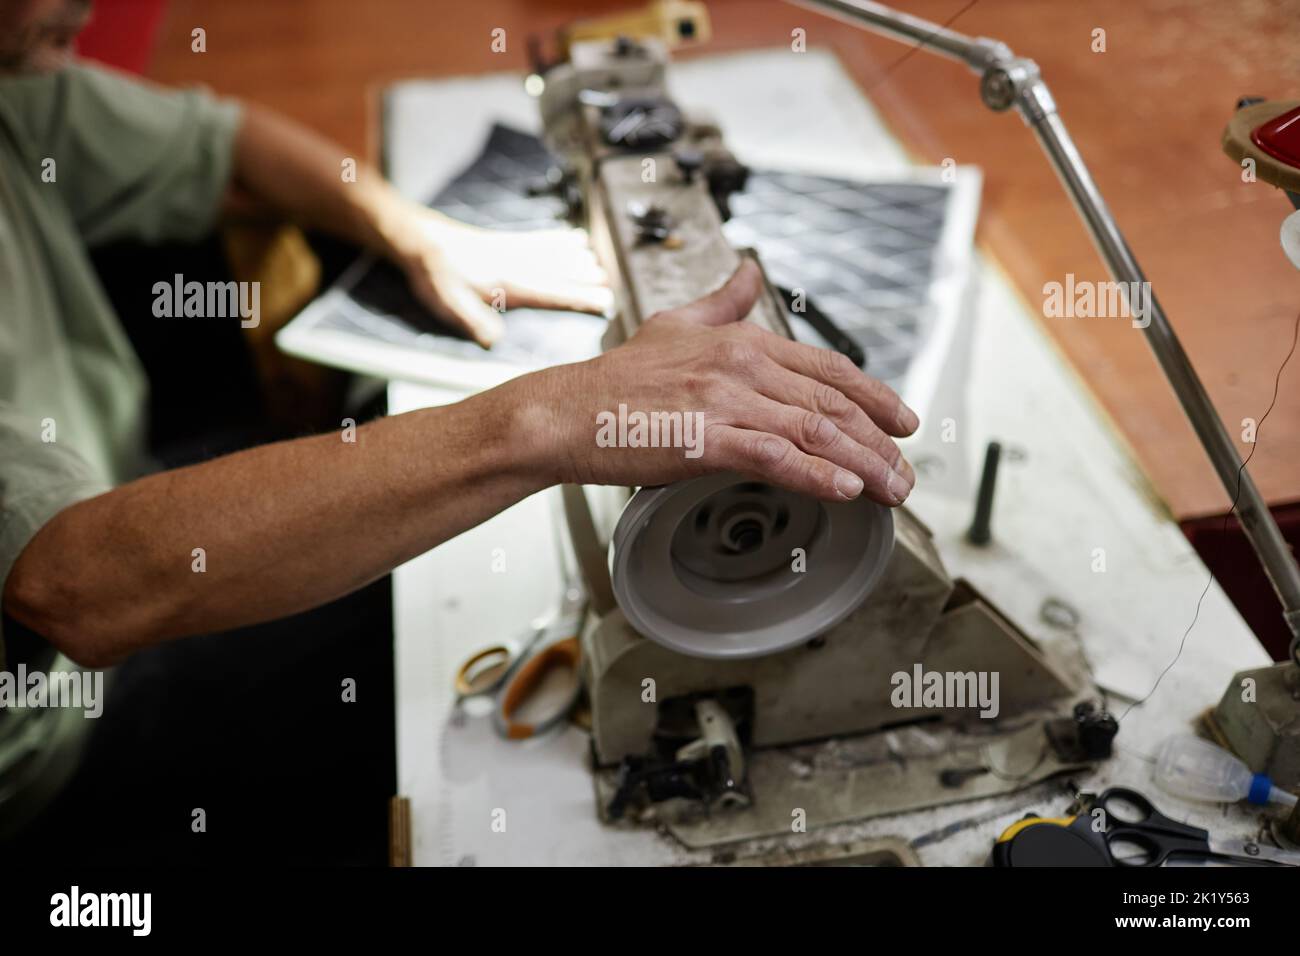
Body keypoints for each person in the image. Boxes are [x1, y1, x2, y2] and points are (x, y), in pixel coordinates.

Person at [0, 0, 917, 858]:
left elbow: (224, 145)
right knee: (450, 641)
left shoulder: (19, 81)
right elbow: (76, 588)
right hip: (65, 736)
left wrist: (420, 234)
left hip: (115, 482)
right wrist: (550, 417)